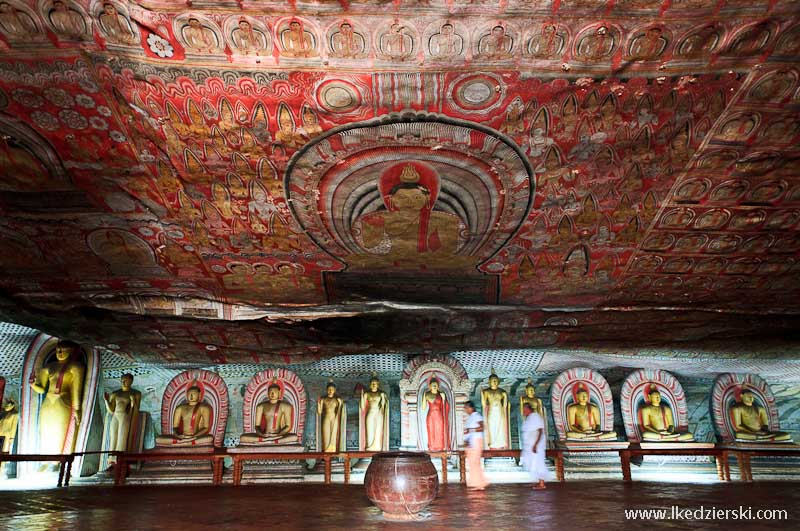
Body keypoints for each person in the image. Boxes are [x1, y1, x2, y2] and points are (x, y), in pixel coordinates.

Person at [30, 340, 85, 455]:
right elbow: (42, 389)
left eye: (63, 350)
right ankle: (45, 458)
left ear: (70, 351)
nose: (59, 352)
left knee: (60, 431)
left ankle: (58, 460)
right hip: (48, 403)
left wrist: (77, 409)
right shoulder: (48, 367)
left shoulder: (76, 367)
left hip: (63, 401)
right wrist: (33, 385)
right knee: (46, 431)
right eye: (57, 350)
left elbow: (76, 389)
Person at [239, 380, 299, 444]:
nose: (272, 394)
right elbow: (257, 426)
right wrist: (262, 434)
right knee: (243, 437)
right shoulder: (261, 406)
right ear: (267, 393)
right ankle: (268, 441)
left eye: (275, 392)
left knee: (294, 437)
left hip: (278, 435)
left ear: (279, 392)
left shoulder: (286, 406)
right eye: (270, 392)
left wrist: (278, 434)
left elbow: (288, 426)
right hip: (265, 435)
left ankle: (270, 441)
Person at [103, 373, 141, 465]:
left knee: (122, 437)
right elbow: (111, 410)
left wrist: (132, 401)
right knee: (113, 436)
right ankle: (111, 457)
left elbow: (136, 410)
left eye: (126, 380)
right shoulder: (115, 393)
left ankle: (120, 458)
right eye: (122, 380)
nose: (123, 382)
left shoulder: (136, 393)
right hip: (115, 416)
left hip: (125, 416)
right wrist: (106, 401)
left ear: (131, 381)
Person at [520, 403, 548, 489]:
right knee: (533, 463)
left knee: (538, 463)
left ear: (529, 409)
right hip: (531, 446)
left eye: (524, 409)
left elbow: (540, 431)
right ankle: (540, 482)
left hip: (536, 446)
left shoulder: (535, 417)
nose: (523, 411)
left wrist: (536, 444)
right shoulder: (529, 418)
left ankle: (542, 484)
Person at [480, 370, 510, 449]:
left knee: (500, 426)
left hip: (499, 410)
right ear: (489, 382)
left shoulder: (502, 392)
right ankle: (492, 442)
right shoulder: (487, 391)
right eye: (492, 380)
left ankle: (500, 443)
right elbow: (484, 404)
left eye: (496, 380)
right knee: (492, 426)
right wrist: (482, 395)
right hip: (491, 411)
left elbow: (505, 405)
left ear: (498, 381)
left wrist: (504, 413)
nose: (494, 382)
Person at [463, 401, 489, 491]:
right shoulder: (470, 418)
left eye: (466, 408)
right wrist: (466, 440)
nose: (465, 410)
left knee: (475, 463)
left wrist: (471, 430)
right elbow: (468, 431)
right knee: (472, 464)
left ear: (471, 408)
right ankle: (476, 483)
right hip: (471, 442)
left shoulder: (477, 416)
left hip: (476, 442)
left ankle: (480, 483)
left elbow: (482, 427)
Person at [360, 374, 388, 451]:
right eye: (372, 383)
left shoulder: (381, 393)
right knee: (369, 432)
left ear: (378, 384)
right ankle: (369, 447)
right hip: (370, 413)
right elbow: (362, 407)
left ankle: (377, 448)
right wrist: (362, 397)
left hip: (379, 414)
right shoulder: (367, 394)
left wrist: (383, 398)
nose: (373, 385)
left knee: (378, 431)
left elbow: (384, 406)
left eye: (375, 383)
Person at [420, 378, 449, 451]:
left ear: (438, 386)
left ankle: (440, 447)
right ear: (430, 386)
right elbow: (423, 408)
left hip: (439, 415)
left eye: (436, 385)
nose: (435, 387)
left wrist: (444, 398)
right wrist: (424, 395)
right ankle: (431, 447)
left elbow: (446, 406)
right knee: (431, 431)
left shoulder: (441, 394)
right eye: (433, 385)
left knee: (439, 431)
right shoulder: (427, 394)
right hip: (431, 415)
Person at [317, 380, 345, 452]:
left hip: (334, 418)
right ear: (326, 390)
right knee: (326, 436)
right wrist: (318, 403)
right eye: (329, 389)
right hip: (326, 418)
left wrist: (340, 403)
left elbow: (340, 412)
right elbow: (319, 412)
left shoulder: (336, 399)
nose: (330, 391)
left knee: (333, 436)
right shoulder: (323, 399)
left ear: (334, 390)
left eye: (332, 389)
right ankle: (326, 452)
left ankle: (332, 452)